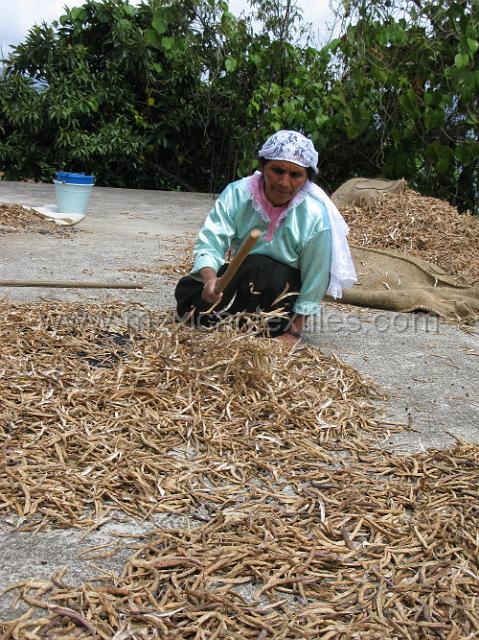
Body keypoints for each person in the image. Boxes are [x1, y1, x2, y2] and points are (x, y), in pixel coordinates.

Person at [175, 130, 356, 344]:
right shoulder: (237, 195)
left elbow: (315, 277)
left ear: (306, 178)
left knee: (262, 283)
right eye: (277, 171)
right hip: (243, 275)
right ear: (262, 167)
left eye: (295, 175)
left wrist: (293, 332)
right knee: (193, 305)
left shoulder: (314, 216)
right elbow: (211, 241)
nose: (284, 183)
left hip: (282, 291)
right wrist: (210, 280)